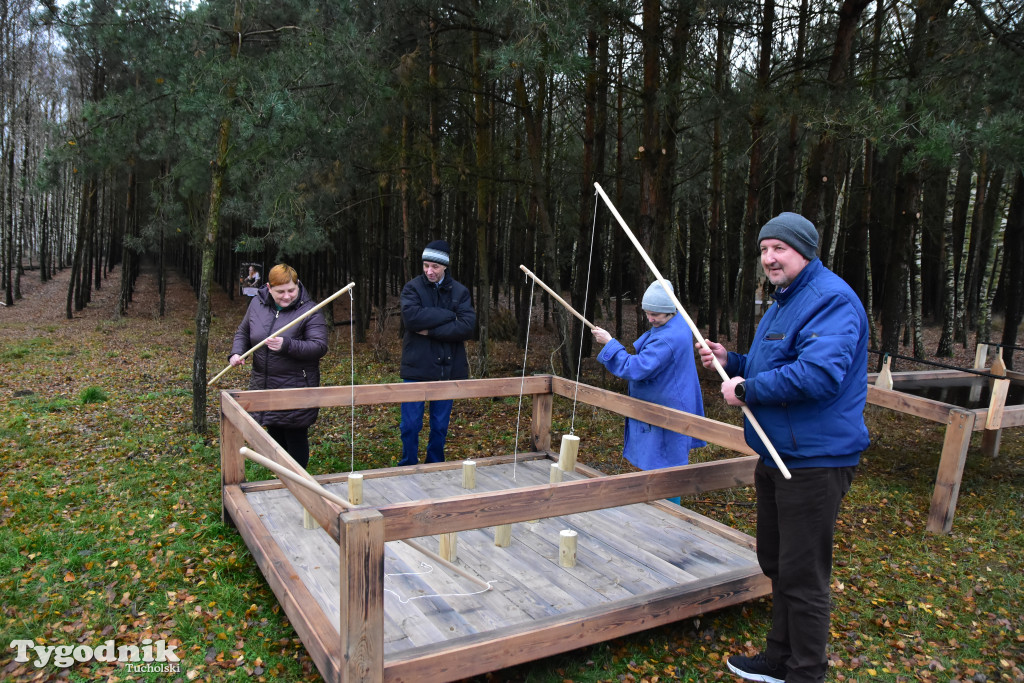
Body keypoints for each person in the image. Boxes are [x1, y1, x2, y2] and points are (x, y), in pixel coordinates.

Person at [697, 212, 869, 683]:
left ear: (806, 250)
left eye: (780, 249)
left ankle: (806, 671)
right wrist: (733, 360)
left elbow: (818, 374)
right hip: (778, 453)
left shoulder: (830, 300)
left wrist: (747, 388)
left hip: (815, 459)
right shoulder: (783, 301)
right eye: (764, 249)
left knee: (802, 573)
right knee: (776, 561)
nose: (770, 258)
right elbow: (776, 362)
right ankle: (778, 658)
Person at [590, 280, 706, 503]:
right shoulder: (677, 323)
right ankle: (656, 508)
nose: (651, 319)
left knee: (666, 465)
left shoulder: (667, 338)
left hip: (668, 409)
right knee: (660, 463)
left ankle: (667, 516)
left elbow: (636, 367)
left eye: (656, 315)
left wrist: (609, 344)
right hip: (668, 401)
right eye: (648, 313)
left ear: (670, 311)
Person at [229, 263, 329, 469]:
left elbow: (319, 347)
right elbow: (243, 332)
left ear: (298, 285)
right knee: (274, 435)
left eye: (291, 290)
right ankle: (283, 482)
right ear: (269, 287)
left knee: (294, 436)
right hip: (264, 384)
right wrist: (237, 353)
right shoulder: (257, 304)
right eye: (280, 291)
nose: (287, 296)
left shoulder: (310, 311)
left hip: (296, 385)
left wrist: (287, 345)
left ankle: (300, 485)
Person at [398, 240, 476, 466]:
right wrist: (449, 315)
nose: (429, 271)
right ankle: (408, 465)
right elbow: (412, 319)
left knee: (440, 427)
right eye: (425, 266)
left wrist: (429, 329)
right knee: (410, 426)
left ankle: (435, 466)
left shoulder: (460, 292)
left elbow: (467, 327)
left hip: (447, 370)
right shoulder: (412, 288)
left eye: (434, 266)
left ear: (445, 267)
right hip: (416, 368)